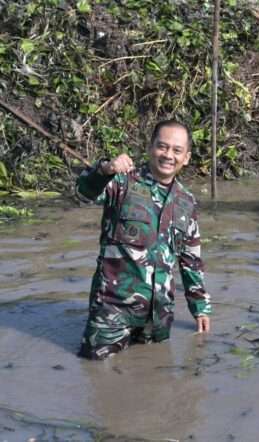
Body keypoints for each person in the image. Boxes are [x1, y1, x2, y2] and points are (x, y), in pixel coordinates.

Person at [76, 120, 212, 360]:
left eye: (177, 150)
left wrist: (199, 308)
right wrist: (105, 169)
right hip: (112, 310)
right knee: (96, 376)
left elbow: (191, 260)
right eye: (162, 147)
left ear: (187, 157)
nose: (168, 155)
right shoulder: (121, 182)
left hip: (158, 317)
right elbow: (82, 194)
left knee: (155, 379)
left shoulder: (186, 202)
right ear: (150, 148)